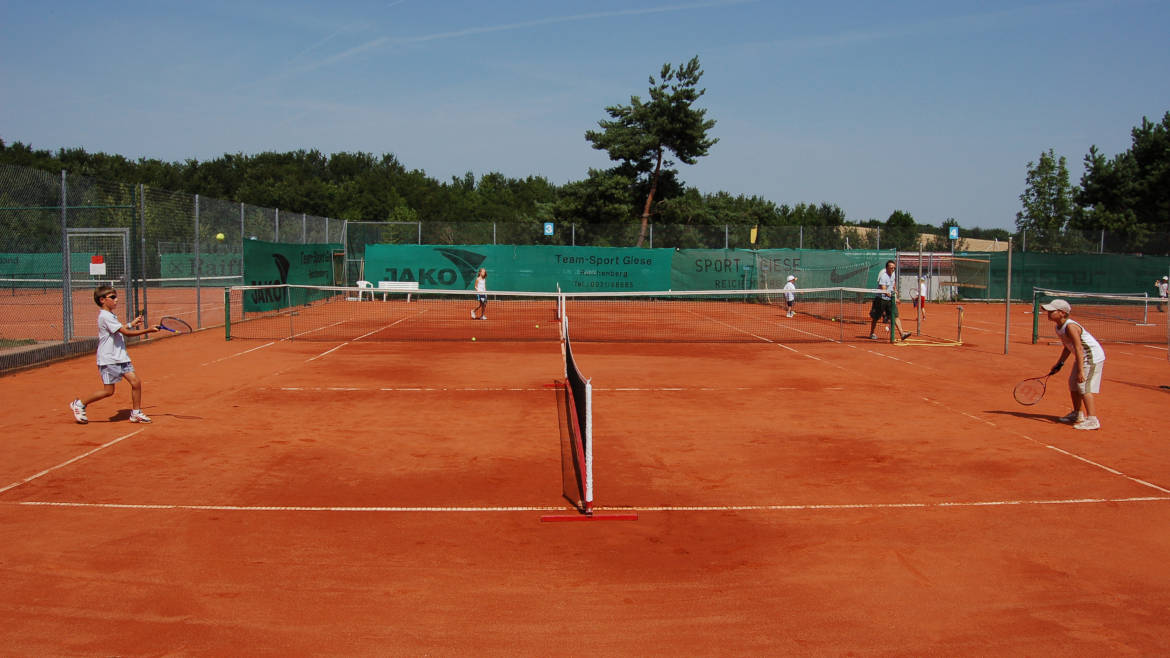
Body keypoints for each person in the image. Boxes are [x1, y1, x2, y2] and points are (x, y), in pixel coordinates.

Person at [69, 285, 160, 424]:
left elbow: (119, 329)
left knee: (136, 382)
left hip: (121, 357)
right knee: (108, 391)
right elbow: (126, 333)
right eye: (112, 297)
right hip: (109, 359)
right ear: (102, 300)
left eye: (116, 296)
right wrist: (148, 330)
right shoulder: (105, 316)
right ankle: (80, 404)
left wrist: (131, 323)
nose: (116, 300)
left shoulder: (110, 315)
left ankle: (136, 413)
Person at [1041, 299, 1105, 431]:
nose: (1048, 313)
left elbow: (1078, 348)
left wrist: (1081, 371)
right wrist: (1060, 363)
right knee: (1072, 383)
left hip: (1092, 357)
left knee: (1083, 386)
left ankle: (1092, 419)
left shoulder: (1070, 327)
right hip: (1082, 357)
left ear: (1062, 313)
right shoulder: (1058, 327)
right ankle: (1077, 414)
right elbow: (1067, 346)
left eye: (1052, 311)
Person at [868, 260, 911, 341]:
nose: (893, 269)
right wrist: (893, 297)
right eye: (891, 268)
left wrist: (895, 292)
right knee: (876, 318)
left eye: (894, 268)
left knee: (895, 316)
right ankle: (872, 333)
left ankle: (902, 334)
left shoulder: (893, 274)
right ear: (887, 268)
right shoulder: (883, 277)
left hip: (890, 299)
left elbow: (893, 284)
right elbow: (884, 290)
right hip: (880, 299)